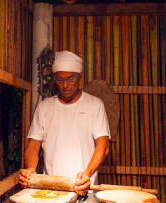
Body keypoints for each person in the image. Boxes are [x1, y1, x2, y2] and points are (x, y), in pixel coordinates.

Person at [19, 50, 110, 195]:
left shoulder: (94, 105)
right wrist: (30, 168)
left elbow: (103, 146)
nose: (65, 85)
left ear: (80, 76)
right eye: (60, 80)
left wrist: (88, 173)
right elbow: (33, 146)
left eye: (70, 79)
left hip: (83, 188)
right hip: (50, 190)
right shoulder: (44, 107)